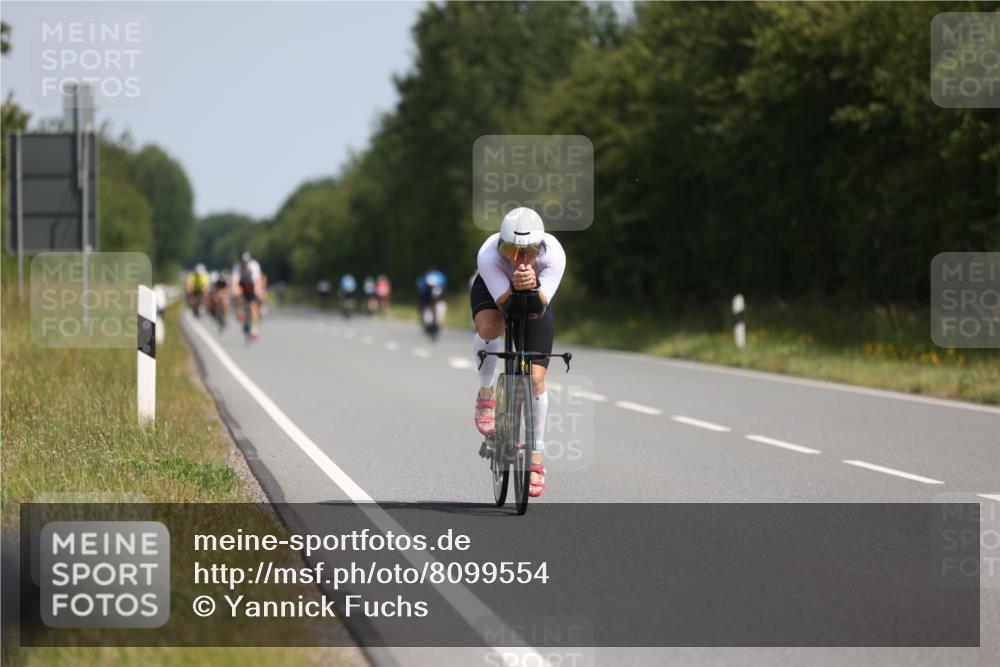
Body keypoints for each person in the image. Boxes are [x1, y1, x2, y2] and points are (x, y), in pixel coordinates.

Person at [470, 207, 565, 498]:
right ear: (501, 245)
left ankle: (536, 458)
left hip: (536, 297)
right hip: (494, 290)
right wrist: (515, 286)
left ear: (541, 247)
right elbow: (506, 305)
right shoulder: (488, 255)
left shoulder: (554, 256)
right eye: (511, 250)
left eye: (529, 251)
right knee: (490, 327)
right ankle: (486, 394)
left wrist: (532, 285)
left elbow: (539, 306)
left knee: (536, 378)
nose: (519, 259)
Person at [232, 251, 264, 341]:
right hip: (242, 285)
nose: (244, 263)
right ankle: (240, 311)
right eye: (243, 262)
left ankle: (254, 329)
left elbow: (257, 280)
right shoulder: (237, 266)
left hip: (252, 286)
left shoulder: (254, 266)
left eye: (246, 262)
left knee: (254, 306)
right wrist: (235, 291)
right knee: (237, 293)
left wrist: (258, 291)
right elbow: (235, 281)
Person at [416, 269, 447, 339]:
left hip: (438, 300)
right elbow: (422, 300)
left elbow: (442, 299)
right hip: (427, 302)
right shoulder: (424, 287)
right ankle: (429, 327)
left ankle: (437, 326)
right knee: (427, 317)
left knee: (440, 311)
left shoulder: (441, 283)